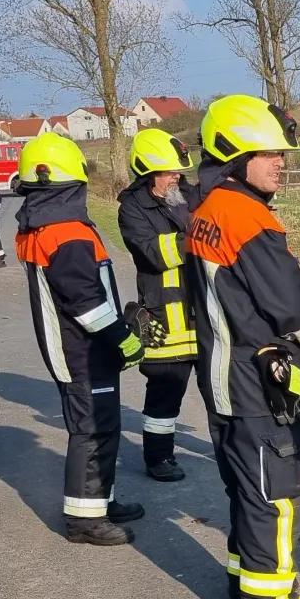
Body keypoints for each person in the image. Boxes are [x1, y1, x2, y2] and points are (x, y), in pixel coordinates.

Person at [186, 94, 300, 599]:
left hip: (223, 379)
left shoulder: (205, 211)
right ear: (234, 155)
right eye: (269, 153)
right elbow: (291, 309)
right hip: (257, 384)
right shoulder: (248, 217)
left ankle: (243, 578)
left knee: (246, 488)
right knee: (276, 493)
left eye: (283, 154)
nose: (281, 163)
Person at [13, 132, 147, 546]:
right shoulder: (65, 231)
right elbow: (86, 302)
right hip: (82, 353)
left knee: (103, 427)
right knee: (91, 431)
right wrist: (122, 338)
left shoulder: (41, 226)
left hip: (80, 349)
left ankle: (99, 501)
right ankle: (85, 522)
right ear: (72, 183)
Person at [118, 129, 198, 481]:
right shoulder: (132, 209)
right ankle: (158, 458)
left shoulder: (189, 195)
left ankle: (230, 451)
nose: (176, 177)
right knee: (164, 393)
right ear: (148, 171)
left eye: (177, 170)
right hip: (166, 316)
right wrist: (200, 236)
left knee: (221, 390)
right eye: (168, 172)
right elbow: (153, 253)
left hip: (204, 311)